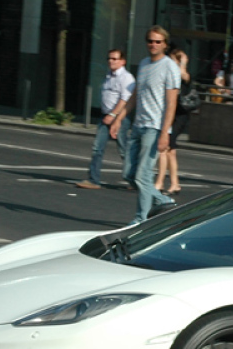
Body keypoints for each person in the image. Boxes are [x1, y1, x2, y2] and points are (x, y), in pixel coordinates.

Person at [109, 26, 180, 226]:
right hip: (138, 125)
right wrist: (119, 117)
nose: (153, 45)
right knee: (129, 174)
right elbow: (135, 96)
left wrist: (165, 132)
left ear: (165, 44)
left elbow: (171, 102)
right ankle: (164, 200)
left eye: (158, 41)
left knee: (143, 176)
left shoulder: (169, 67)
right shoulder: (143, 64)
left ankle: (141, 220)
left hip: (155, 127)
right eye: (150, 41)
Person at [77, 49, 134, 190]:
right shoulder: (109, 75)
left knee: (123, 150)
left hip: (119, 117)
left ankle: (134, 180)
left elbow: (125, 99)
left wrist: (114, 116)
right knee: (97, 148)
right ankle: (93, 180)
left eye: (114, 59)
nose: (111, 61)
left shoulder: (126, 77)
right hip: (105, 116)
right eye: (109, 58)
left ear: (122, 61)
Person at [155, 46, 190, 195]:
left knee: (167, 147)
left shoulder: (183, 74)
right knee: (171, 151)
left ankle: (161, 182)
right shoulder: (168, 74)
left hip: (180, 116)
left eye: (173, 60)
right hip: (170, 114)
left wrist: (183, 63)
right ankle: (175, 183)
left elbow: (184, 76)